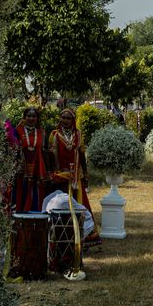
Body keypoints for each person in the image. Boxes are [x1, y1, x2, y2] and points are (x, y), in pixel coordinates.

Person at [48, 107, 101, 251]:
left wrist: (86, 174)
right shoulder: (54, 135)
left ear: (73, 120)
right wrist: (53, 175)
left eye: (68, 118)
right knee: (62, 207)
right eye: (63, 118)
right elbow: (51, 157)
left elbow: (82, 155)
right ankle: (63, 238)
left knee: (79, 206)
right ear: (60, 119)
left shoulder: (78, 134)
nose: (65, 121)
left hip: (76, 178)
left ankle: (83, 239)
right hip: (61, 178)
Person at [12, 107, 49, 212]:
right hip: (21, 169)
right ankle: (19, 220)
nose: (31, 118)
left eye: (34, 116)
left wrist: (49, 171)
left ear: (37, 118)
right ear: (24, 117)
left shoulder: (42, 132)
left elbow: (46, 152)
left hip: (37, 168)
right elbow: (12, 150)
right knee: (21, 192)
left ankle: (35, 220)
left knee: (36, 193)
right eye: (28, 116)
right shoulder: (18, 131)